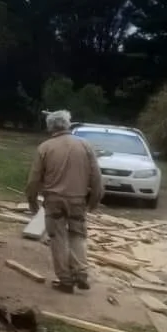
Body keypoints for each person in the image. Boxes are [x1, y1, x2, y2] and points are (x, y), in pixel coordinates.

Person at [25, 109, 104, 293]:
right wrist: (95, 198)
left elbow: (34, 179)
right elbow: (97, 177)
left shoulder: (45, 148)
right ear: (68, 124)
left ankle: (66, 280)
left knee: (58, 238)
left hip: (54, 201)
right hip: (78, 200)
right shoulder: (85, 146)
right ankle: (81, 272)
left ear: (50, 127)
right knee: (78, 235)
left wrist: (32, 200)